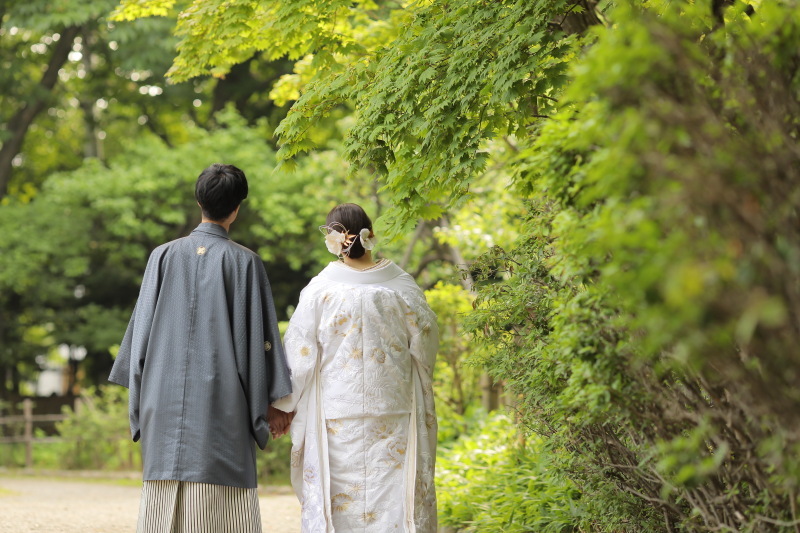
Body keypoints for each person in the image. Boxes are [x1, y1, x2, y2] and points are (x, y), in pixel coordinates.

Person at [108, 163, 292, 533]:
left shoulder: (162, 256)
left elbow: (139, 336)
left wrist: (141, 405)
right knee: (221, 514)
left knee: (163, 513)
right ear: (237, 207)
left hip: (162, 400)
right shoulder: (245, 263)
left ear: (198, 202)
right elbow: (259, 345)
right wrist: (273, 404)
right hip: (221, 406)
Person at [271, 203, 439, 533]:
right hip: (394, 409)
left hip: (337, 414)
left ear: (334, 239)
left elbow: (300, 353)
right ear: (369, 234)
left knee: (340, 500)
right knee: (391, 498)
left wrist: (283, 405)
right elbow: (427, 343)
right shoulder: (400, 285)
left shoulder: (321, 289)